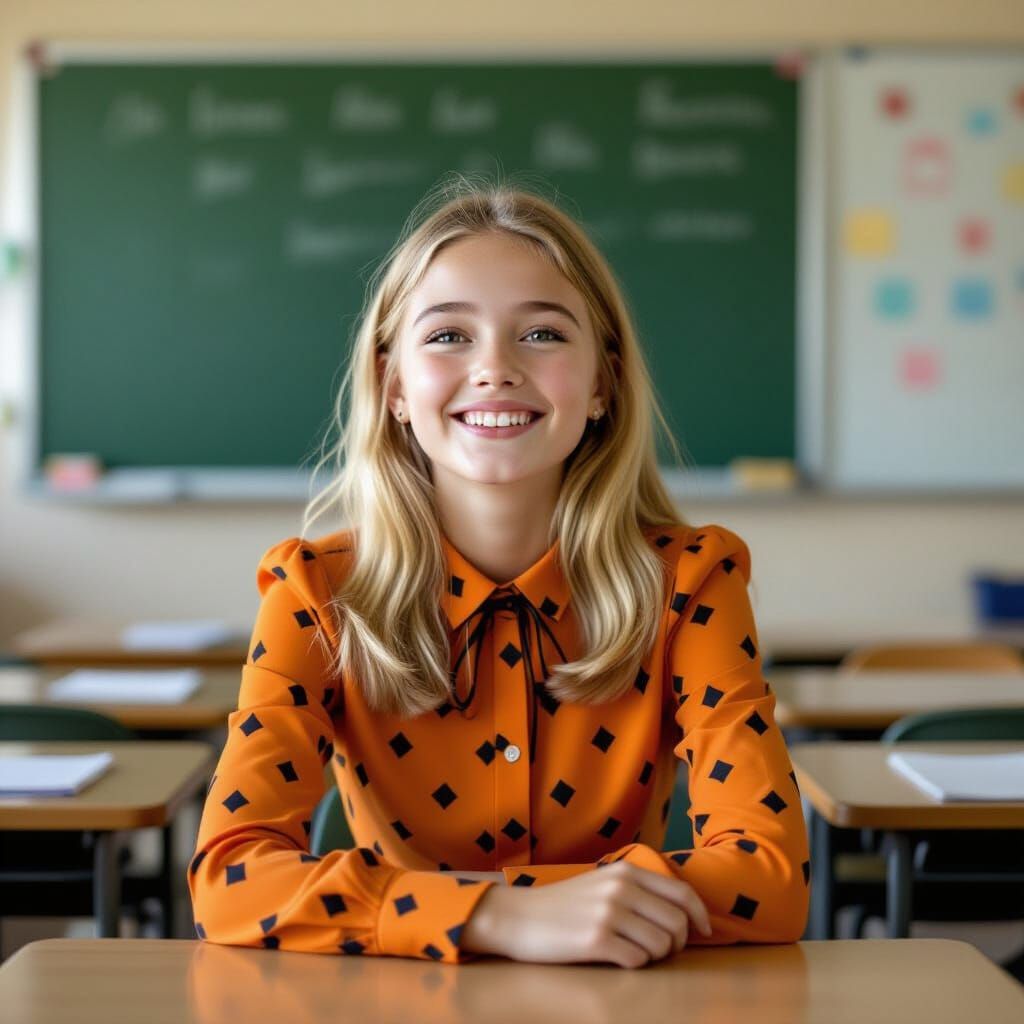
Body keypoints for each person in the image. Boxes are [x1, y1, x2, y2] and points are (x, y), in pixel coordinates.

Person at [187, 175, 810, 968]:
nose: (495, 368)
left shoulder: (690, 585)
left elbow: (770, 876)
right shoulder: (316, 595)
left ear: (602, 386)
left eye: (543, 335)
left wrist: (500, 910)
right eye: (448, 336)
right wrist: (502, 919)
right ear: (395, 388)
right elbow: (231, 877)